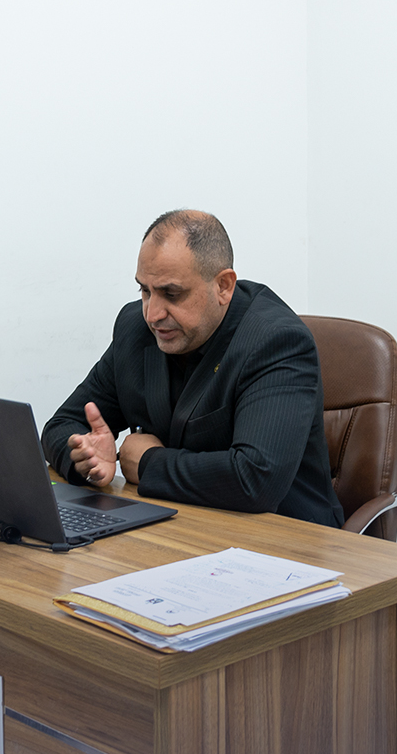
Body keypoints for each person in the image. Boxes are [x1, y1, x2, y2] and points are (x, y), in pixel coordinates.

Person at [40, 210, 346, 527]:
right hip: (180, 527)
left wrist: (148, 463)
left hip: (284, 538)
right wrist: (85, 459)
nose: (152, 314)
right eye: (145, 291)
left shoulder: (276, 341)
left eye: (172, 294)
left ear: (224, 286)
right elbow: (61, 425)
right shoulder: (136, 329)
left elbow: (256, 479)